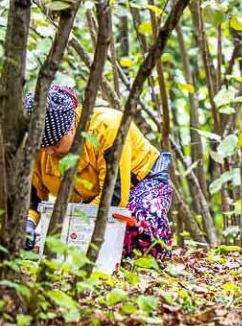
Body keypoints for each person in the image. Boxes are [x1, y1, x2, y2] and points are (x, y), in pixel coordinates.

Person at [26, 85, 173, 258]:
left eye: (56, 144)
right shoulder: (39, 150)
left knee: (140, 222)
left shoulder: (108, 128)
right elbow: (33, 200)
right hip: (91, 197)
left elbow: (114, 198)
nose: (49, 152)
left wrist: (76, 223)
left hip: (143, 181)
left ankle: (150, 265)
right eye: (43, 147)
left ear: (72, 127)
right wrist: (27, 224)